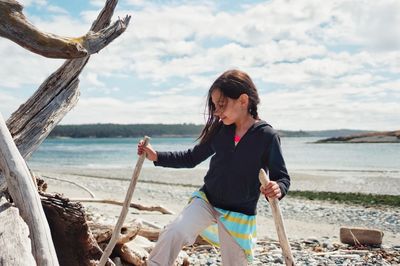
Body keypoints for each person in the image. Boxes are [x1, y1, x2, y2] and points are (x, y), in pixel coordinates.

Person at [138, 69, 290, 266]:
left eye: (221, 105)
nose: (216, 112)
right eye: (214, 106)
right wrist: (156, 156)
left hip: (240, 214)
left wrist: (277, 188)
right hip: (208, 201)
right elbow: (191, 157)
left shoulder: (266, 136)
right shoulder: (221, 130)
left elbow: (282, 177)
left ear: (243, 101)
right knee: (174, 231)